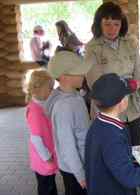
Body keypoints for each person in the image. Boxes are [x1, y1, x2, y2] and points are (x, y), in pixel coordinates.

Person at [84, 3, 140, 193]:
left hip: (133, 111)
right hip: (109, 115)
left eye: (116, 24)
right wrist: (130, 85)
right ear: (99, 24)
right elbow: (96, 85)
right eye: (107, 24)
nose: (112, 29)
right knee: (118, 159)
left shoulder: (130, 42)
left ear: (122, 24)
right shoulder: (92, 48)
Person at [85, 73, 140, 195]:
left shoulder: (99, 124)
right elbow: (130, 178)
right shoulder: (112, 136)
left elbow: (113, 155)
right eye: (127, 95)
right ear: (121, 103)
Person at [45, 51, 91, 195]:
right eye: (79, 72)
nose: (84, 74)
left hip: (81, 163)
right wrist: (80, 175)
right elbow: (67, 146)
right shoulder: (64, 106)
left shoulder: (73, 95)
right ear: (64, 77)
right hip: (75, 171)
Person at [22, 68, 58, 195]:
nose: (52, 91)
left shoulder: (39, 105)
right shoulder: (35, 111)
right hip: (44, 159)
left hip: (44, 158)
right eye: (50, 88)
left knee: (49, 185)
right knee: (46, 188)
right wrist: (48, 158)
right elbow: (36, 139)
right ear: (39, 88)